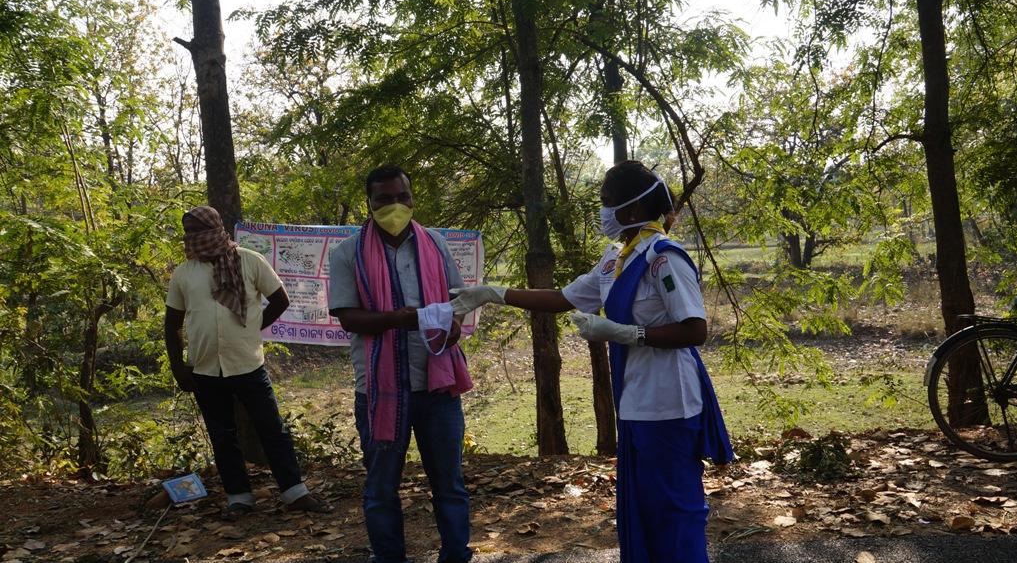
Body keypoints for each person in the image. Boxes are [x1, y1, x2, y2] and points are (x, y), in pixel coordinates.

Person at [449, 160, 733, 563]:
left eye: (606, 203)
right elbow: (563, 299)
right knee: (644, 510)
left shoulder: (664, 259)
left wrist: (625, 334)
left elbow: (695, 329)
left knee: (675, 510)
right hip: (634, 402)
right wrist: (492, 293)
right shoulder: (616, 259)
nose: (602, 212)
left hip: (670, 403)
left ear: (631, 210)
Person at [328, 164, 473, 563]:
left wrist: (455, 325)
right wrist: (396, 319)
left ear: (411, 197)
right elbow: (347, 317)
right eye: (384, 199)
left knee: (449, 484)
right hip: (379, 390)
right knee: (381, 488)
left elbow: (457, 299)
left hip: (436, 386)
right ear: (370, 204)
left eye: (401, 197)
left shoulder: (435, 244)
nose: (395, 206)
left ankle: (457, 555)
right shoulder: (347, 254)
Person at [164, 205, 329, 519]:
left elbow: (280, 300)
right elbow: (172, 323)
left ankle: (295, 492)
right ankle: (239, 498)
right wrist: (177, 366)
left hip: (248, 364)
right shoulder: (184, 272)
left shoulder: (249, 261)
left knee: (272, 429)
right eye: (188, 233)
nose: (193, 239)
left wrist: (253, 328)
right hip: (204, 369)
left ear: (215, 229)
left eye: (198, 231)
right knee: (223, 435)